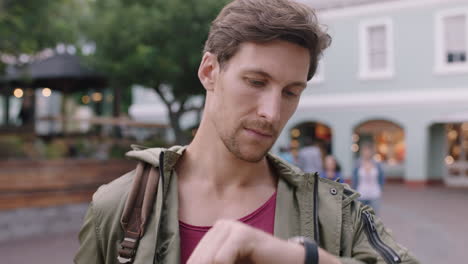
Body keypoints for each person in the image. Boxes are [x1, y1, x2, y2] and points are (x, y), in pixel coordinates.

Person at [75, 0, 418, 263]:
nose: (271, 112)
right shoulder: (120, 206)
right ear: (210, 71)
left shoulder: (333, 212)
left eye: (290, 92)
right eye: (256, 82)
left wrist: (304, 257)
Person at [352, 143, 385, 215]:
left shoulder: (377, 164)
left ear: (371, 152)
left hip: (375, 194)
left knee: (374, 217)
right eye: (365, 150)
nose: (366, 153)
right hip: (361, 194)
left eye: (368, 151)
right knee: (361, 217)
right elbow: (354, 179)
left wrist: (381, 188)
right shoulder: (357, 164)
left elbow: (381, 178)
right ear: (362, 152)